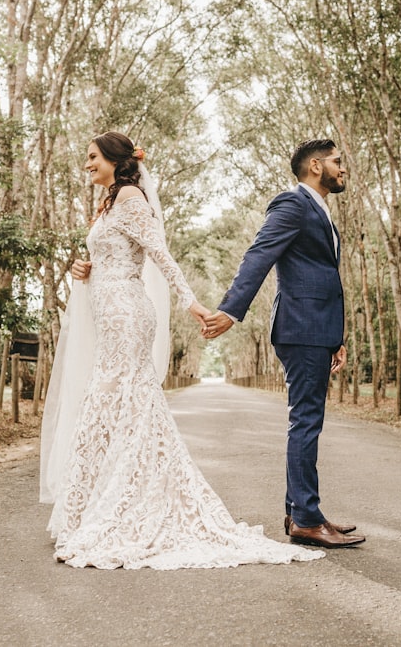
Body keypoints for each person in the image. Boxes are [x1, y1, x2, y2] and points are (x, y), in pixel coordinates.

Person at [39, 131, 324, 569]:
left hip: (128, 315)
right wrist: (86, 268)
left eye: (93, 157)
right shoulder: (112, 202)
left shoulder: (132, 197)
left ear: (116, 160)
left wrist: (191, 302)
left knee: (123, 401)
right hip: (109, 309)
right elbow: (116, 255)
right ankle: (100, 505)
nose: (87, 165)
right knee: (112, 404)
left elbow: (159, 254)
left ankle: (127, 507)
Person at [203, 139, 365, 549]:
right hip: (300, 328)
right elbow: (258, 255)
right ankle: (307, 519)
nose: (342, 168)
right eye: (336, 161)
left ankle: (301, 511)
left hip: (316, 330)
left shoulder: (319, 209)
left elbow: (322, 277)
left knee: (307, 420)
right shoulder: (292, 204)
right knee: (306, 421)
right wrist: (231, 310)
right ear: (315, 166)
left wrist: (337, 338)